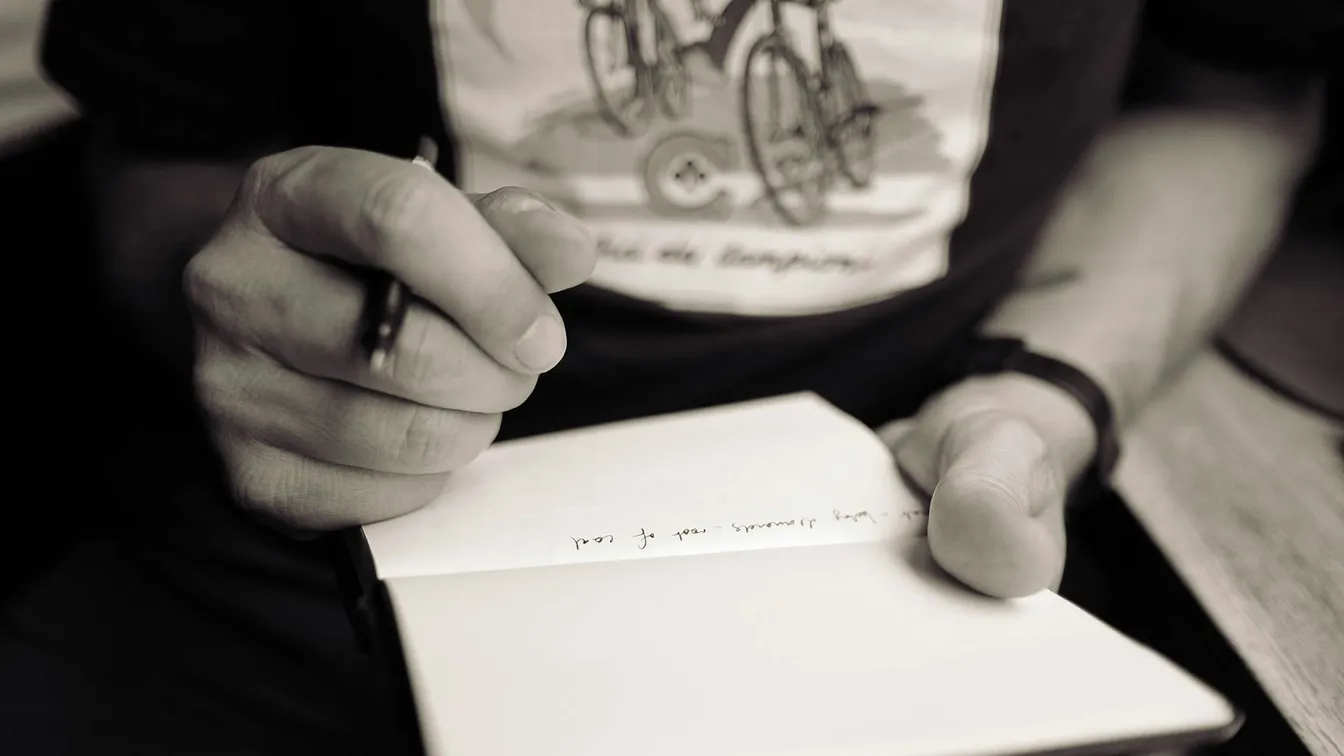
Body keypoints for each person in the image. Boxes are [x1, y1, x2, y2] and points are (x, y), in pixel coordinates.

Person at [3, 0, 1336, 753]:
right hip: (269, 602)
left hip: (921, 574)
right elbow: (167, 149)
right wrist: (266, 317)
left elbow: (1231, 97)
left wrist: (1041, 396)